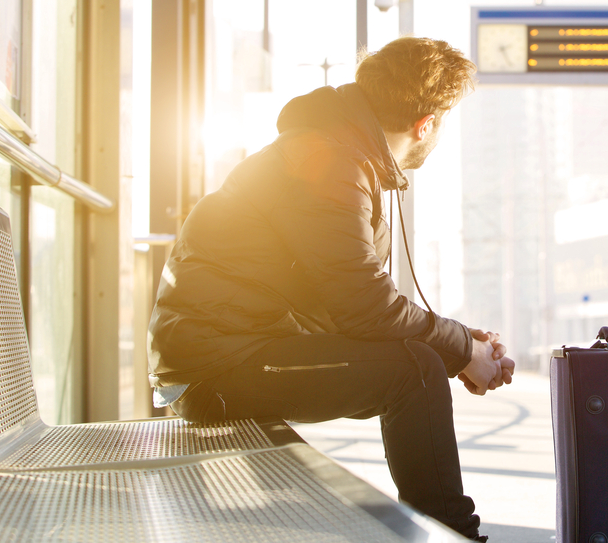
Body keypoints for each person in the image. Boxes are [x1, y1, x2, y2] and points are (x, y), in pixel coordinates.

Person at [147, 36, 514, 541]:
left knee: (419, 361)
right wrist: (458, 349)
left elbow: (346, 305)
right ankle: (454, 536)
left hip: (222, 354)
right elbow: (365, 308)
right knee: (415, 372)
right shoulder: (331, 165)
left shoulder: (329, 153)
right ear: (425, 125)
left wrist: (463, 344)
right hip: (217, 368)